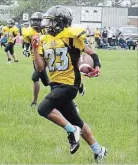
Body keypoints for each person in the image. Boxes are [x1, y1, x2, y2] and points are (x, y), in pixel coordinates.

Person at [32, 5, 107, 162]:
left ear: (61, 22)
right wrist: (34, 48)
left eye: (51, 22)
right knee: (77, 120)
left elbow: (91, 53)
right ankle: (99, 150)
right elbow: (40, 68)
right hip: (55, 85)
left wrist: (97, 66)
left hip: (70, 84)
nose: (47, 24)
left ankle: (72, 131)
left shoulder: (71, 36)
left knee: (43, 108)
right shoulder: (44, 39)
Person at [22, 12, 49, 107]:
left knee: (35, 77)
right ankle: (58, 89)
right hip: (35, 57)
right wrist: (25, 49)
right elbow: (27, 42)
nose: (35, 22)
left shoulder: (47, 30)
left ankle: (34, 102)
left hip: (46, 56)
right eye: (33, 20)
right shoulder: (28, 31)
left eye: (37, 20)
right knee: (46, 82)